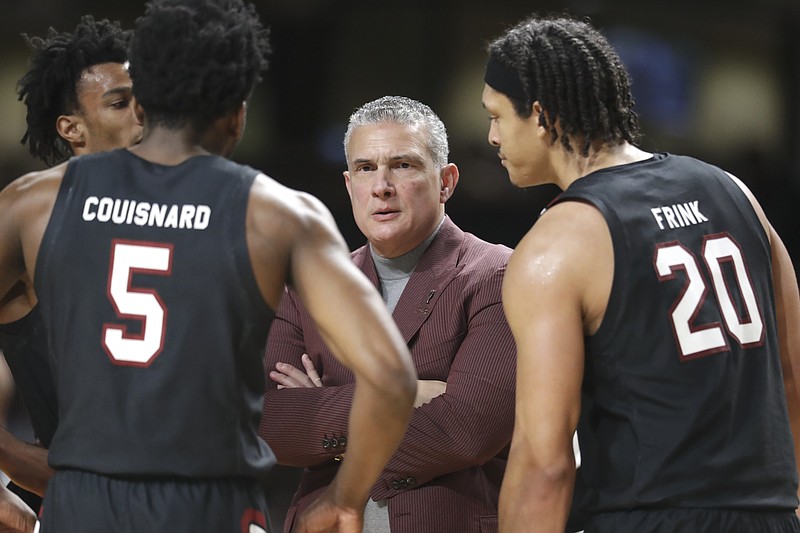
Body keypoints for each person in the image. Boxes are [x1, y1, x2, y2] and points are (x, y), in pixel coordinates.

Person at [0, 0, 416, 531]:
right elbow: (391, 377)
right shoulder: (279, 215)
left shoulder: (32, 203)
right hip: (211, 503)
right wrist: (344, 497)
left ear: (142, 100)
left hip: (80, 502)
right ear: (238, 112)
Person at [482, 14, 800, 533]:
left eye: (497, 116)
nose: (492, 136)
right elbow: (791, 375)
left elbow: (545, 461)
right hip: (768, 514)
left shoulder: (557, 243)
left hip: (646, 517)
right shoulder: (733, 191)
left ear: (539, 115)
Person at [261, 95, 517, 533]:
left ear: (446, 181)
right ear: (348, 185)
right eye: (365, 168)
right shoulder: (305, 285)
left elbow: (465, 430)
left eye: (403, 165)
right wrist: (400, 395)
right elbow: (268, 424)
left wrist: (323, 407)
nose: (381, 186)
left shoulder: (497, 274)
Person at [0, 14, 142, 528]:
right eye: (120, 101)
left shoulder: (193, 205)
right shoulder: (28, 210)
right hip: (75, 498)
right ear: (71, 128)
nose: (142, 112)